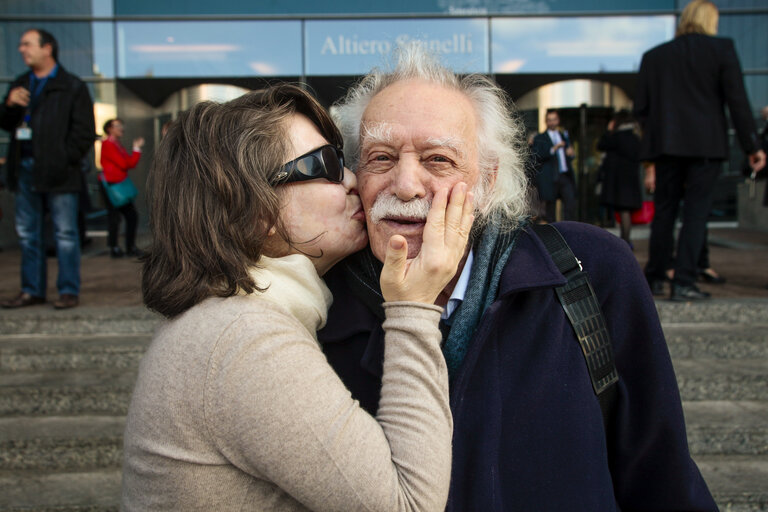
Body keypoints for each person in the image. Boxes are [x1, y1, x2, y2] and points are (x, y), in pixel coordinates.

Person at [318, 43, 717, 511]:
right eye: (381, 158)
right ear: (356, 176)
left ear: (487, 182)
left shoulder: (592, 270)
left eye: (438, 160)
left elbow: (662, 476)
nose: (405, 185)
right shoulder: (321, 303)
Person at [121, 85, 474, 511]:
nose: (352, 181)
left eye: (345, 161)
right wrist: (415, 306)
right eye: (325, 165)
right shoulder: (244, 340)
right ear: (256, 212)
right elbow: (410, 504)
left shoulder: (222, 321)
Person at [635, 0, 766, 301]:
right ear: (710, 20)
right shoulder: (721, 49)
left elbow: (641, 110)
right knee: (696, 213)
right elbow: (737, 101)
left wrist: (651, 152)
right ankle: (683, 281)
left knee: (665, 212)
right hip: (705, 146)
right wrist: (752, 146)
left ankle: (655, 276)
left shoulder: (654, 56)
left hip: (666, 147)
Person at [0, 29, 95, 310]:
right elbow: (5, 124)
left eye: (27, 44)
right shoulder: (21, 84)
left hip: (60, 173)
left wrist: (64, 158)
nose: (21, 49)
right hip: (26, 170)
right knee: (29, 236)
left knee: (65, 234)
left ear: (47, 48)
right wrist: (9, 105)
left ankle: (68, 291)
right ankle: (32, 291)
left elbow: (84, 133)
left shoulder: (72, 86)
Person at [99, 118, 145, 258]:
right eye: (117, 126)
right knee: (116, 217)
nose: (121, 128)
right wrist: (135, 149)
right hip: (112, 186)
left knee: (128, 216)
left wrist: (136, 149)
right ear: (109, 129)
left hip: (119, 186)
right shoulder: (108, 144)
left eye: (121, 125)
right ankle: (116, 247)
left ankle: (126, 247)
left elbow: (130, 163)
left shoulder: (117, 145)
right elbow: (125, 164)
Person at [597, 110, 643, 247]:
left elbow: (601, 145)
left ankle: (625, 241)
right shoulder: (635, 138)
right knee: (625, 211)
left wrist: (608, 131)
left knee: (623, 212)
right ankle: (626, 240)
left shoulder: (617, 137)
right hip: (630, 181)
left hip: (619, 182)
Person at [532, 108, 577, 222]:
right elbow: (537, 156)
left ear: (558, 120)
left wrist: (571, 154)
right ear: (546, 121)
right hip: (550, 177)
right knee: (550, 208)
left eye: (554, 119)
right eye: (549, 120)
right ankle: (553, 234)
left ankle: (568, 231)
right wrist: (554, 148)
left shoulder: (564, 136)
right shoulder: (540, 138)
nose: (552, 122)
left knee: (570, 204)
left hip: (564, 175)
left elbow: (568, 156)